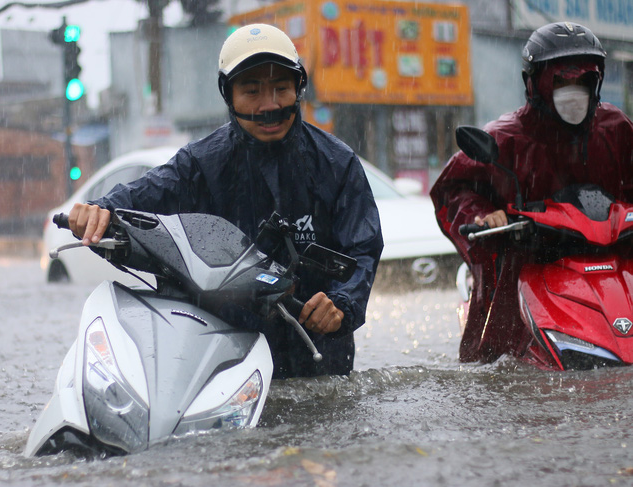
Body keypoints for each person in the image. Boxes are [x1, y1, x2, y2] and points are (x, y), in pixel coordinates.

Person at [67, 23, 384, 379]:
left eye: (281, 89)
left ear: (299, 89)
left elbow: (363, 250)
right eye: (251, 91)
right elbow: (138, 199)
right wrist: (99, 211)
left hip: (318, 356)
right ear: (228, 95)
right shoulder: (200, 165)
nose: (270, 105)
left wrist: (342, 304)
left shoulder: (336, 163)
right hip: (221, 359)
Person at [430, 22, 633, 363]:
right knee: (495, 357)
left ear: (595, 82)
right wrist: (482, 215)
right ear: (534, 83)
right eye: (561, 80)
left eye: (582, 80)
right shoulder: (505, 137)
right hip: (528, 259)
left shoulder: (616, 128)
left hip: (612, 258)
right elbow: (453, 189)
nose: (573, 90)